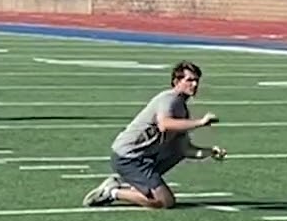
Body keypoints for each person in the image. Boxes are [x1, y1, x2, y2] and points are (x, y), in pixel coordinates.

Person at [83, 60, 226, 209]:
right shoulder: (169, 99)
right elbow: (164, 124)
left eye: (196, 80)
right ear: (176, 81)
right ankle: (113, 192)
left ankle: (135, 187)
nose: (195, 85)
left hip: (144, 158)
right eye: (189, 80)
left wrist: (210, 152)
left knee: (177, 151)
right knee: (165, 202)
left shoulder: (182, 108)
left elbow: (185, 149)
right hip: (128, 157)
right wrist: (200, 122)